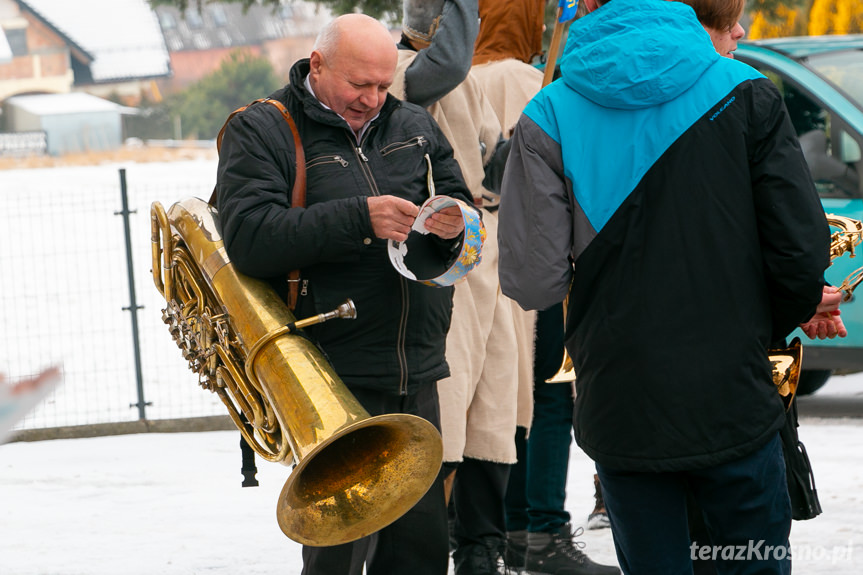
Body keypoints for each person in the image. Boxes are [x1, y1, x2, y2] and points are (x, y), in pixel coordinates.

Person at [498, 0, 838, 572]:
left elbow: (534, 280)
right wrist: (761, 326)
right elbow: (801, 255)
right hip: (735, 393)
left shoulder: (548, 110)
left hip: (622, 397)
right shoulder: (748, 89)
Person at [215, 13, 475, 575]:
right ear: (318, 66)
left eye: (384, 86)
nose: (373, 99)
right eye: (360, 85)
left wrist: (454, 223)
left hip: (416, 367)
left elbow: (455, 197)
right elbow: (250, 240)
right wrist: (360, 218)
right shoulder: (261, 129)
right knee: (336, 557)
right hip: (332, 372)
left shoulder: (414, 122)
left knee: (422, 554)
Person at [470, 2, 619, 574]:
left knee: (505, 400)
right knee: (551, 399)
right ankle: (544, 531)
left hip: (481, 265)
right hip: (539, 257)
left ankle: (505, 528)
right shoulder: (533, 81)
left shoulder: (457, 80)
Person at [390, 1, 535, 573]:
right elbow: (445, 64)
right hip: (436, 259)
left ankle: (484, 550)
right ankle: (432, 551)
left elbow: (488, 158)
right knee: (446, 416)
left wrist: (516, 151)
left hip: (486, 256)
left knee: (493, 409)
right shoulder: (400, 71)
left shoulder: (469, 80)